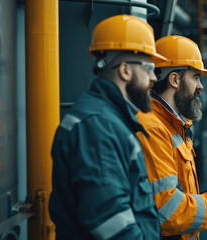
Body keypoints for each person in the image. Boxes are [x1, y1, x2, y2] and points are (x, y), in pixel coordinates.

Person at [49, 15, 166, 240]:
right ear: (124, 70)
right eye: (149, 68)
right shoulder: (99, 127)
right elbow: (111, 223)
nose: (153, 78)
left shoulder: (110, 119)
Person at [136, 35, 207, 240]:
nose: (201, 86)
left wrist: (206, 195)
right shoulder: (154, 128)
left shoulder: (173, 125)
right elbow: (167, 214)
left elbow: (171, 195)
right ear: (174, 79)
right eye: (195, 77)